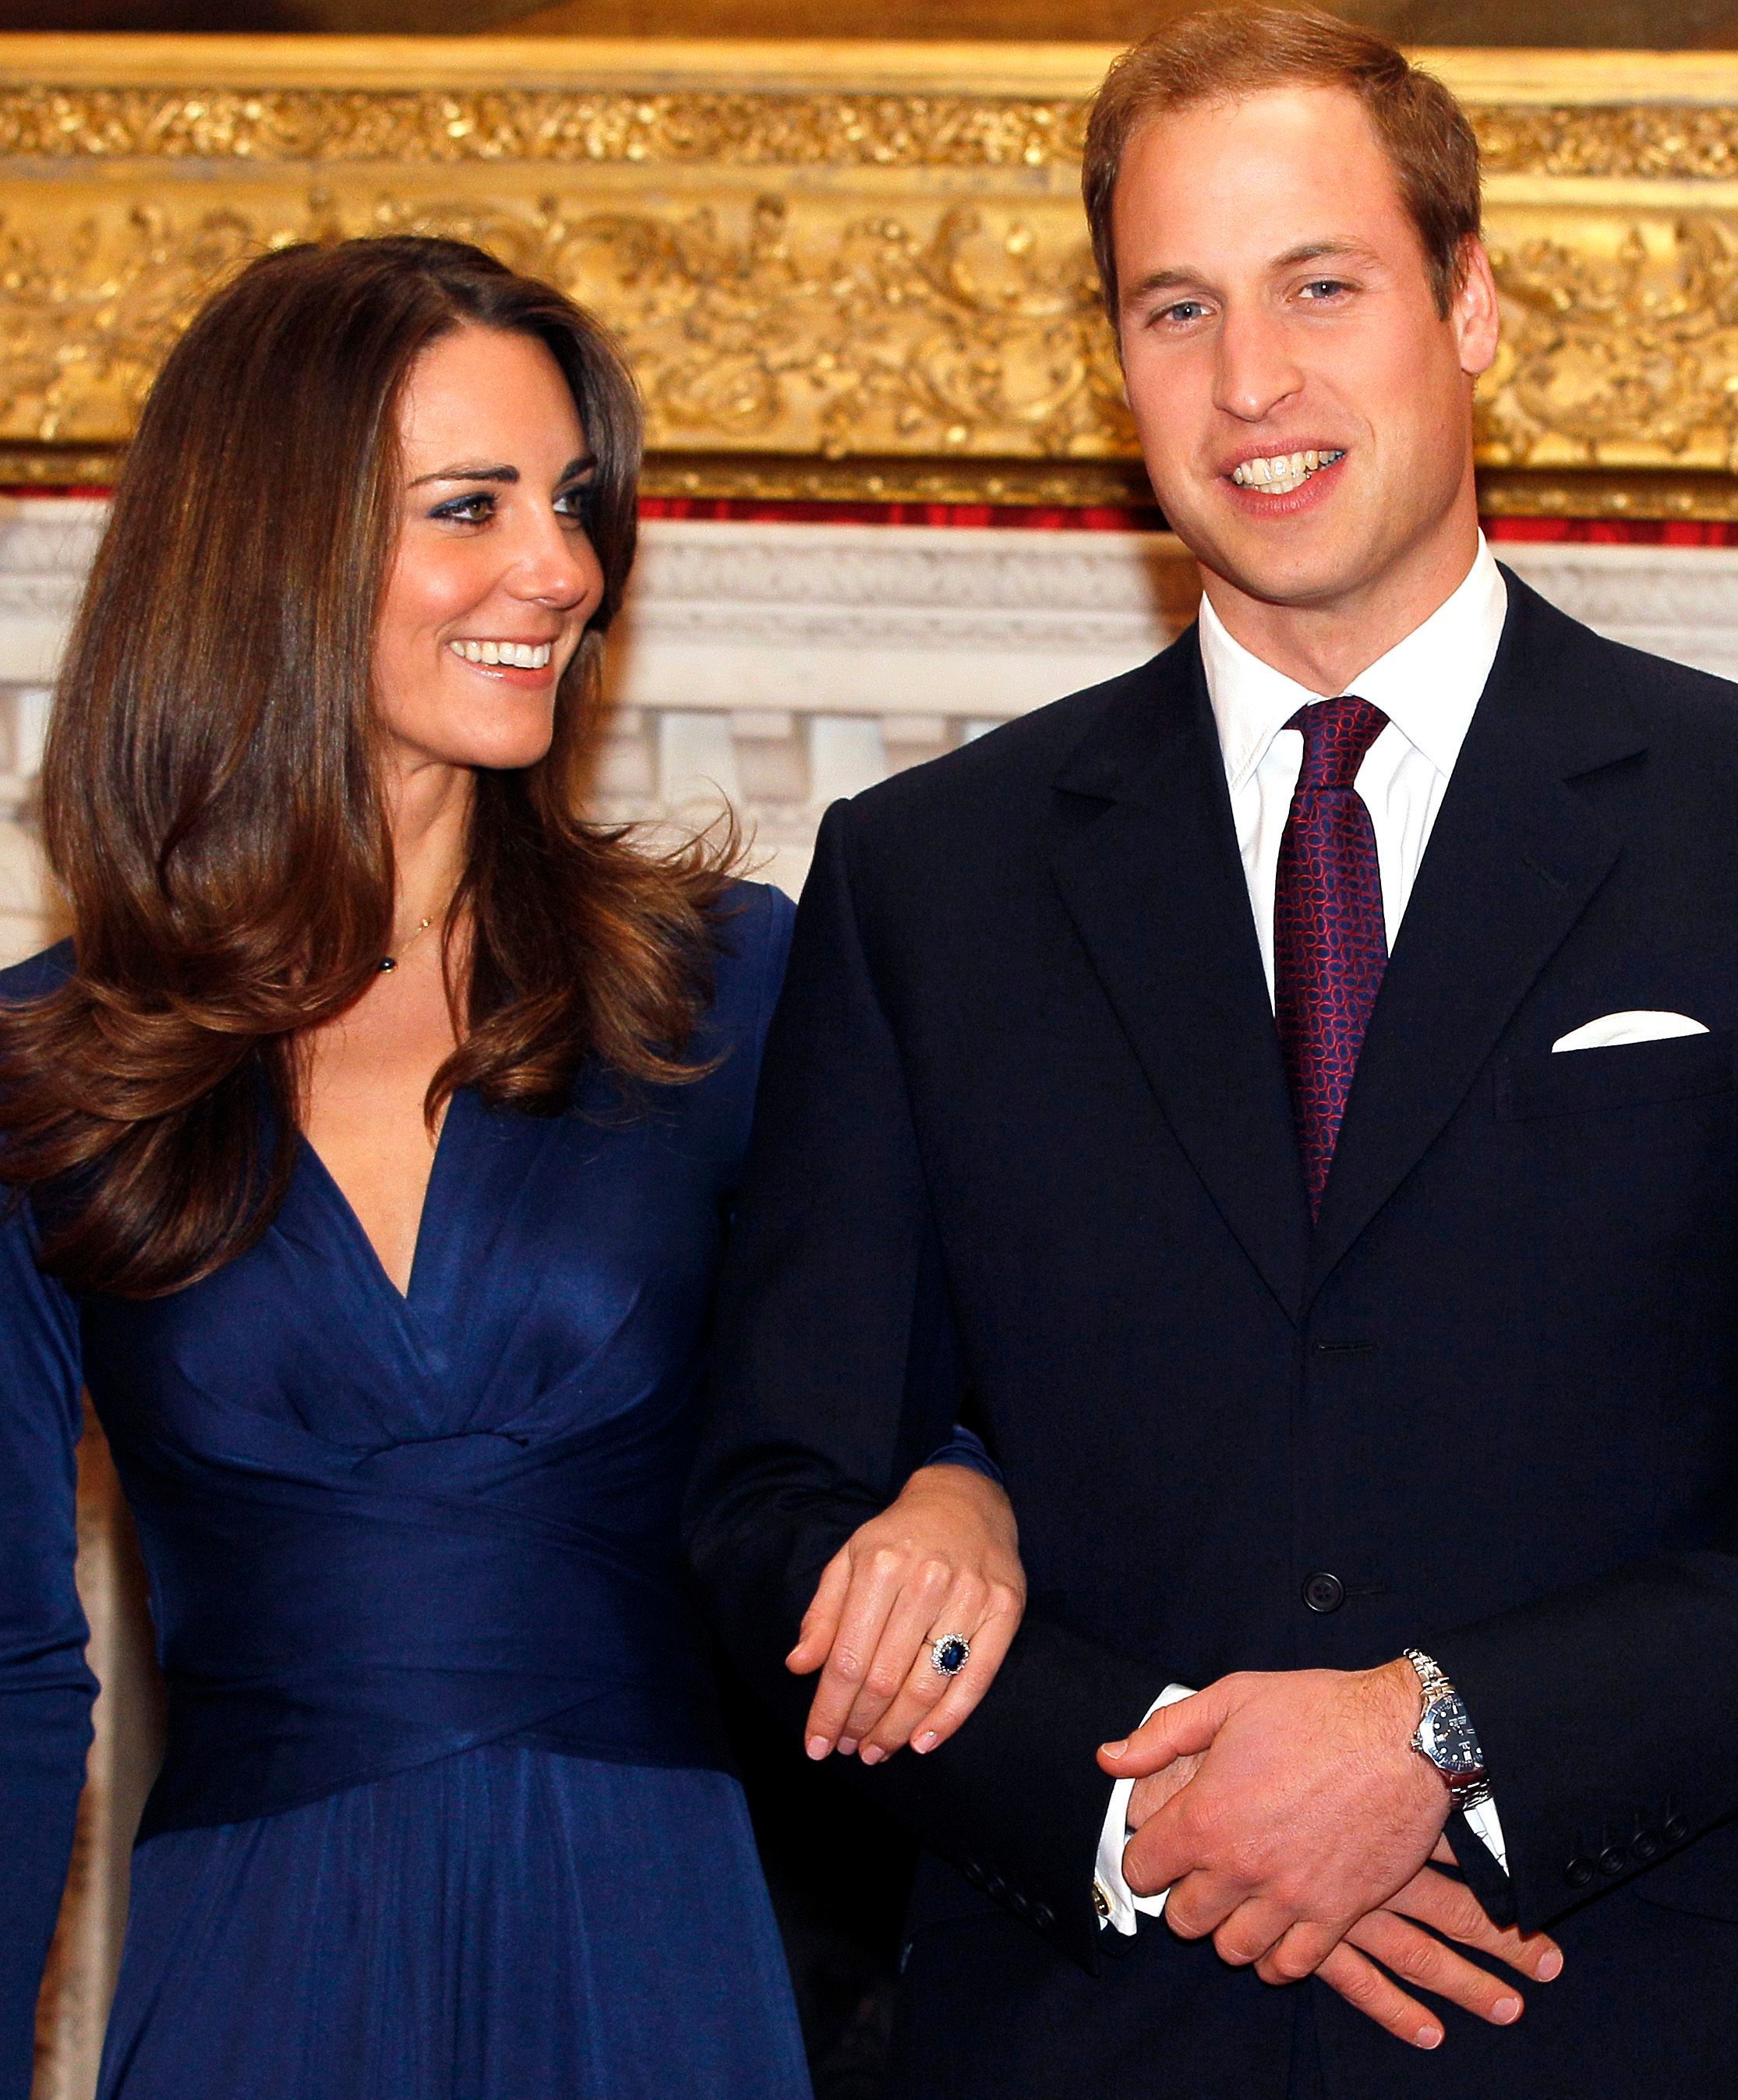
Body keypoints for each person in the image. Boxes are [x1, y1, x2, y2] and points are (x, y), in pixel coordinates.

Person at [689, 9, 1738, 2096]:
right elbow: (767, 1507)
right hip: (1084, 2031)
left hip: (1622, 2012)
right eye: (1174, 308)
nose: (1248, 380)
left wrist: (1442, 1730)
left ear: (1470, 305)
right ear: (1114, 365)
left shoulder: (1717, 818)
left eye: (1316, 287)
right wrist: (1141, 1813)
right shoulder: (928, 878)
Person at [0, 234, 1023, 2100]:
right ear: (273, 550)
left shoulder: (729, 985)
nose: (560, 570)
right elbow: (4, 1671)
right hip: (257, 1974)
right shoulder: (58, 1066)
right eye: (469, 508)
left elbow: (959, 1390)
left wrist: (962, 1493)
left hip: (672, 1950)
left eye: (570, 504)